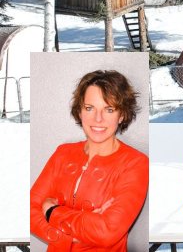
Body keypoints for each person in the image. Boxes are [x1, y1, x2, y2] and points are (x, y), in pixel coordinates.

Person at [29, 69, 149, 251]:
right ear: (80, 112)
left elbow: (107, 231)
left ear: (122, 115)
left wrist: (52, 211)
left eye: (109, 109)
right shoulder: (63, 153)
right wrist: (67, 237)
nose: (98, 119)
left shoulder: (135, 163)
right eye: (89, 108)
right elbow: (29, 210)